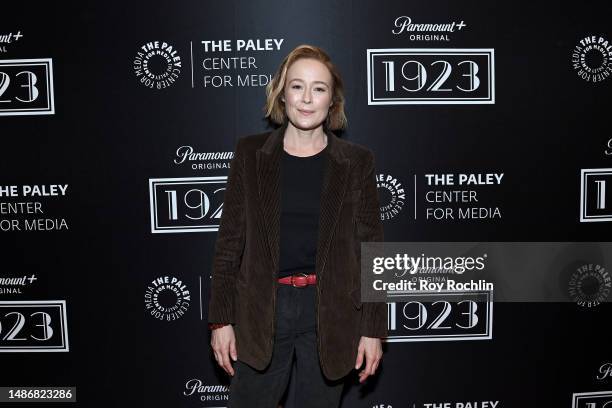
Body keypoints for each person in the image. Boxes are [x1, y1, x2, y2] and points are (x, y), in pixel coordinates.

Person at [208, 44, 387, 408]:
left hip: (330, 312)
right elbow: (229, 243)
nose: (307, 99)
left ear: (332, 100)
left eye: (319, 88)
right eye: (297, 86)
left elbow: (372, 250)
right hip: (261, 309)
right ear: (281, 93)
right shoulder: (250, 155)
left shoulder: (356, 162)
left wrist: (373, 329)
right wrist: (220, 320)